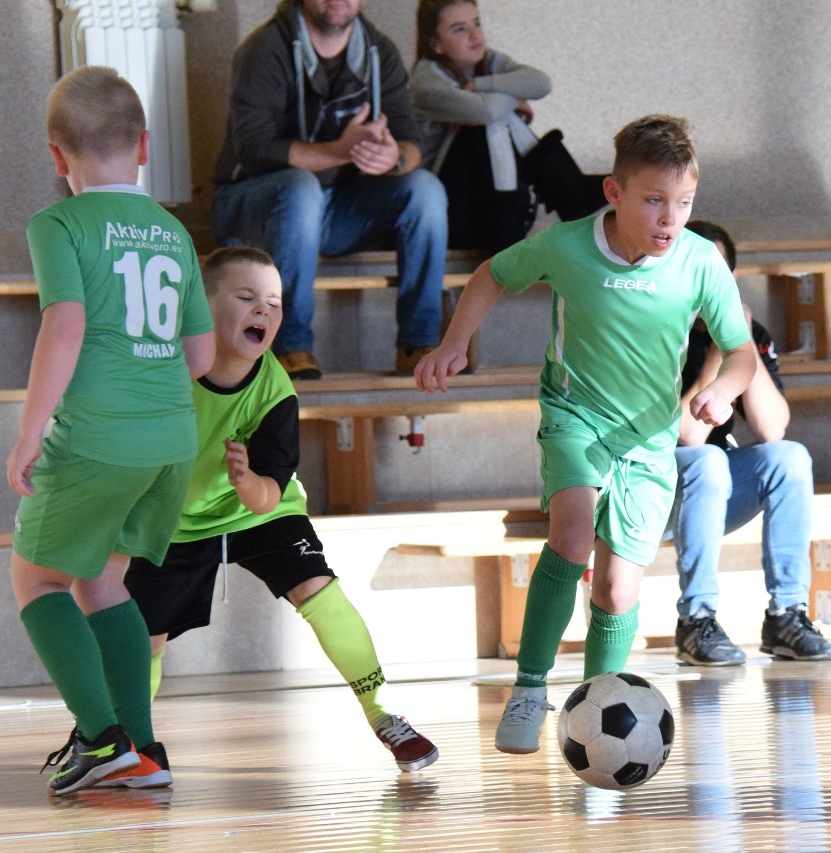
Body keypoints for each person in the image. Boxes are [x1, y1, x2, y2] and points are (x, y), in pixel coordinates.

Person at [415, 115, 756, 755]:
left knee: (617, 587)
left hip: (648, 440)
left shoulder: (700, 261)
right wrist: (455, 343)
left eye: (682, 203)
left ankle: (598, 707)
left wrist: (722, 390)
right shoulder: (566, 246)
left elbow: (741, 353)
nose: (668, 218)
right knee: (571, 535)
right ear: (614, 193)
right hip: (576, 416)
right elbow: (491, 273)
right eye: (654, 200)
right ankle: (528, 688)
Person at [123, 246, 439, 774]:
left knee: (317, 586)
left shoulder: (274, 390)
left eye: (274, 302)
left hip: (261, 511)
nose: (264, 311)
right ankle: (130, 741)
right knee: (143, 636)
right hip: (173, 522)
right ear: (198, 306)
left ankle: (382, 711)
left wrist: (246, 484)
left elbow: (270, 489)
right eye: (247, 297)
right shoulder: (160, 370)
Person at [6, 66, 216, 795]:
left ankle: (99, 740)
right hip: (169, 443)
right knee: (104, 581)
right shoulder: (172, 232)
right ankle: (144, 749)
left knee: (36, 577)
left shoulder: (57, 223)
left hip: (98, 437)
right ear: (145, 146)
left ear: (57, 157)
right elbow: (202, 355)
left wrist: (31, 433)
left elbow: (64, 326)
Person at [212, 0, 448, 381]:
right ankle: (291, 345)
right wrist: (340, 151)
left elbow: (413, 143)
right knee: (300, 186)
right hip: (248, 209)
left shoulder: (380, 53)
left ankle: (418, 343)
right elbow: (254, 149)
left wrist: (392, 157)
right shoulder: (265, 49)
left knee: (425, 189)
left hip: (329, 213)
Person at [669, 219, 831, 665]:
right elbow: (687, 435)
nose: (705, 286)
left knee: (789, 458)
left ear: (732, 280)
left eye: (716, 275)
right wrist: (716, 358)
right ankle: (696, 620)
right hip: (648, 492)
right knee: (705, 458)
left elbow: (772, 427)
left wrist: (738, 343)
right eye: (694, 272)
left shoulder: (747, 334)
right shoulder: (656, 329)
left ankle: (786, 614)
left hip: (712, 495)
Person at [410, 0, 605, 254]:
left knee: (496, 113)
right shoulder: (426, 80)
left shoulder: (486, 62)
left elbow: (541, 83)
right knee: (490, 120)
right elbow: (486, 112)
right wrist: (515, 97)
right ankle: (565, 195)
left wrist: (481, 84)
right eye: (459, 29)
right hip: (446, 207)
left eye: (476, 23)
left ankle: (555, 199)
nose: (475, 35)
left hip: (478, 202)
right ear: (435, 44)